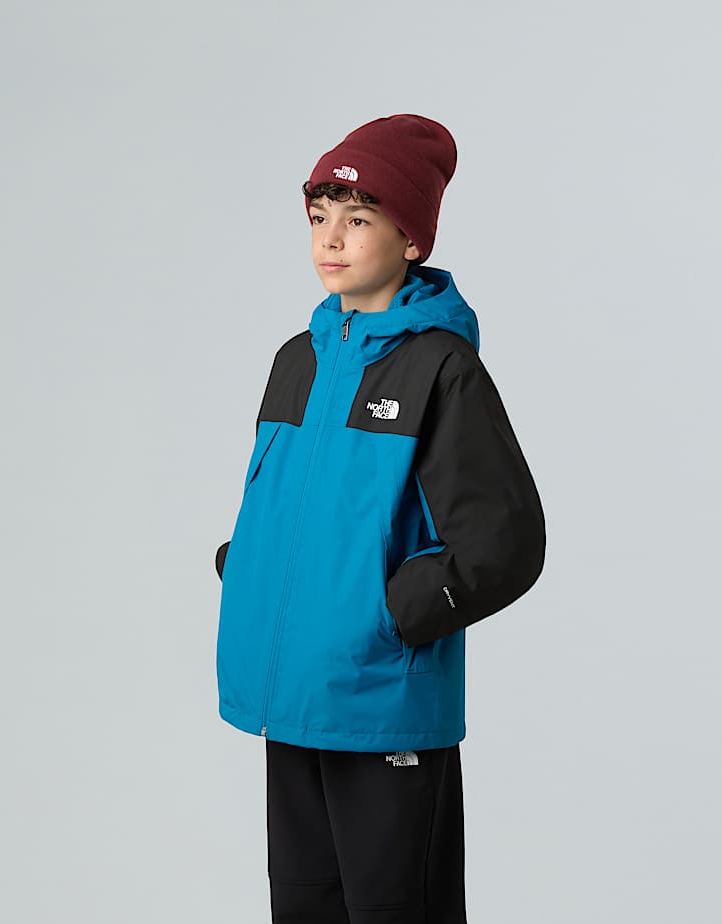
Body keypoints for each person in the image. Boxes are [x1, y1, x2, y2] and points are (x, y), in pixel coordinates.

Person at [213, 113, 546, 924]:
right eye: (320, 216)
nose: (332, 238)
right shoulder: (297, 360)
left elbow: (503, 542)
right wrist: (246, 564)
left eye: (359, 219)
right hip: (294, 698)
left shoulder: (442, 368)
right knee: (306, 909)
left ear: (411, 240)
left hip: (381, 701)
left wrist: (386, 614)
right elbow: (285, 509)